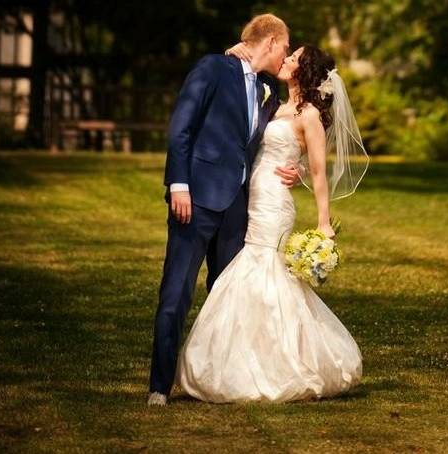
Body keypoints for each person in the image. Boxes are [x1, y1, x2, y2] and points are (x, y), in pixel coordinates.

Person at [173, 44, 369, 403]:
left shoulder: (309, 114)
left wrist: (323, 222)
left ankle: (280, 363)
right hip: (251, 195)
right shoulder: (274, 103)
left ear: (303, 71)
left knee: (265, 270)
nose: (286, 59)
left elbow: (321, 172)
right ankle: (241, 359)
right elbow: (250, 74)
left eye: (293, 58)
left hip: (276, 203)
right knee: (251, 268)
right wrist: (237, 51)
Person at [147, 14, 301, 406]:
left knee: (229, 297)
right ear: (269, 42)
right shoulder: (213, 68)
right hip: (195, 200)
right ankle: (159, 388)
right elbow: (181, 127)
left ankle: (220, 379)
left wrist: (295, 168)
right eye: (284, 46)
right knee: (176, 291)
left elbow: (284, 133)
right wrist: (178, 183)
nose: (285, 55)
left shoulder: (267, 87)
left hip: (238, 207)